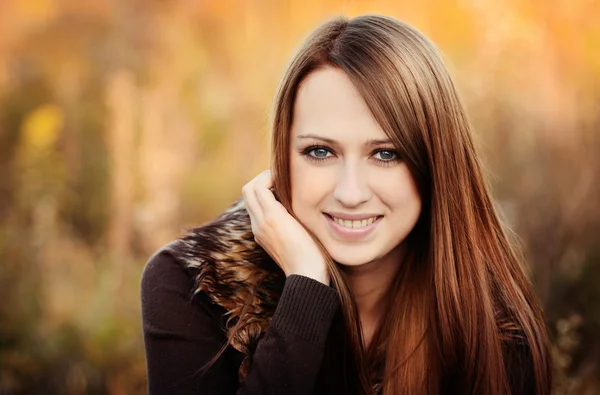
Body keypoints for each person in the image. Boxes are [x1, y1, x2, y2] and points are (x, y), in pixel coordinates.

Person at [141, 14, 553, 395]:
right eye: (320, 152)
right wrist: (306, 289)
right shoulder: (195, 285)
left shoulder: (488, 325)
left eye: (386, 154)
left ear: (436, 163)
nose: (351, 193)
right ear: (283, 156)